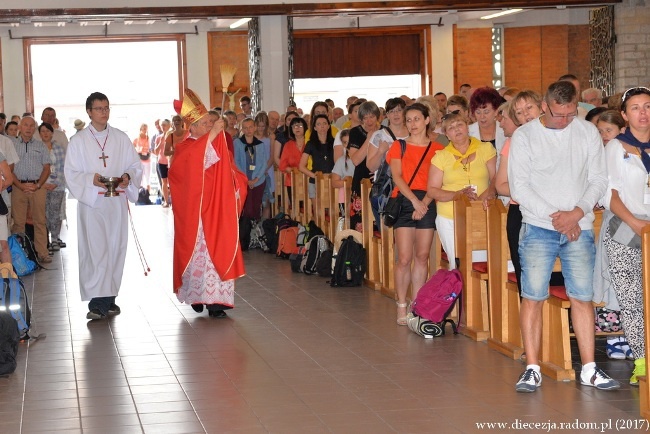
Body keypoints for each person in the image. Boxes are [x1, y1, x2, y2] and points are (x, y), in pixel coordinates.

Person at [509, 80, 619, 392]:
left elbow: (598, 178)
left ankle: (589, 368)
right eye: (559, 114)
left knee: (582, 298)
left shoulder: (585, 131)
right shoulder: (525, 136)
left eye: (571, 114)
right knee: (533, 296)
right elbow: (520, 187)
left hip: (579, 225)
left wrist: (577, 211)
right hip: (538, 227)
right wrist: (559, 217)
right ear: (544, 107)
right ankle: (532, 367)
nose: (565, 120)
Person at [168, 88, 247, 318]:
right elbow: (190, 166)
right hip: (197, 216)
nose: (207, 127)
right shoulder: (186, 147)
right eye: (203, 124)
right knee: (198, 256)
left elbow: (229, 168)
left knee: (216, 255)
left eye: (208, 123)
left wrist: (235, 186)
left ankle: (216, 302)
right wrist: (213, 134)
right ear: (191, 128)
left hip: (217, 210)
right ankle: (196, 296)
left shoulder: (214, 142)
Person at [64, 91, 142, 320]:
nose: (104, 112)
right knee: (96, 250)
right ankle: (97, 302)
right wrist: (91, 178)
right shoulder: (78, 141)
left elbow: (135, 165)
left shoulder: (120, 137)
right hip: (93, 202)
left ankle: (109, 299)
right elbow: (71, 173)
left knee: (116, 248)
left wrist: (128, 176)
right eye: (99, 108)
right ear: (89, 111)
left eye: (106, 108)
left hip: (116, 200)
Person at [595, 87, 650, 385]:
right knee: (632, 300)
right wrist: (636, 224)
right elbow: (610, 194)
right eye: (636, 108)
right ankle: (642, 361)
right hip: (625, 230)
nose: (643, 113)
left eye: (648, 106)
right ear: (626, 115)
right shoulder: (616, 146)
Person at [388, 103, 444, 325]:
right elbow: (397, 176)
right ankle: (402, 303)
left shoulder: (438, 148)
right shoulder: (398, 146)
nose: (412, 124)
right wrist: (414, 201)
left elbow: (438, 180)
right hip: (404, 199)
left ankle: (417, 304)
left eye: (416, 119)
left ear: (427, 120)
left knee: (422, 256)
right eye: (408, 120)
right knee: (404, 257)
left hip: (427, 200)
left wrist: (425, 203)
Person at [428, 112, 496, 269]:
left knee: (480, 263)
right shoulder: (441, 156)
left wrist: (480, 200)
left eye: (460, 125)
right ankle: (460, 294)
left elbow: (494, 180)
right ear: (446, 135)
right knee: (458, 265)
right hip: (449, 215)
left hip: (481, 212)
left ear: (467, 127)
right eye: (451, 128)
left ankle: (479, 294)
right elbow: (432, 190)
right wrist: (458, 195)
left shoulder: (485, 148)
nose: (457, 130)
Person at [11, 116, 52, 263]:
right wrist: (20, 185)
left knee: (39, 221)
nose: (29, 128)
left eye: (31, 126)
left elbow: (47, 168)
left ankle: (42, 252)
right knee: (18, 222)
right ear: (20, 127)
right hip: (18, 187)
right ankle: (19, 254)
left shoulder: (41, 146)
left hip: (38, 187)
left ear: (34, 129)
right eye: (26, 125)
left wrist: (38, 185)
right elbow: (9, 169)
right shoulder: (13, 145)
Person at [298, 114, 335, 218]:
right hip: (316, 182)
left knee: (333, 213)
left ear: (328, 126)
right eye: (318, 124)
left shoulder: (335, 142)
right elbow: (301, 166)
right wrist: (315, 176)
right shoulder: (311, 144)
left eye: (324, 124)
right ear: (314, 127)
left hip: (332, 181)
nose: (322, 126)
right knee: (319, 214)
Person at [38, 122, 66, 253]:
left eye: (48, 131)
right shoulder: (37, 148)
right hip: (41, 186)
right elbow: (36, 169)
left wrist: (56, 183)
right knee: (43, 214)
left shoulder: (59, 148)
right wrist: (42, 183)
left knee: (55, 213)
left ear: (52, 133)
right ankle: (45, 241)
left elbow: (63, 168)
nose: (45, 133)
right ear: (39, 134)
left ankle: (55, 238)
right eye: (42, 131)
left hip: (57, 186)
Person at [234, 118, 269, 221]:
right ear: (242, 129)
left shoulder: (260, 144)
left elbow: (263, 163)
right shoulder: (238, 143)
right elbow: (237, 162)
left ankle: (255, 231)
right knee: (247, 209)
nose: (248, 130)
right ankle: (246, 232)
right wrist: (246, 180)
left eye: (250, 127)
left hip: (258, 181)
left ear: (254, 128)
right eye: (245, 128)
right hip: (244, 181)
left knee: (256, 208)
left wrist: (256, 179)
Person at [278, 116, 308, 209]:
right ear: (291, 129)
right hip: (292, 181)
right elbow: (282, 165)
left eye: (300, 126)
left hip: (308, 180)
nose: (297, 128)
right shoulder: (288, 145)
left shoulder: (309, 143)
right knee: (297, 208)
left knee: (308, 208)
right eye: (294, 126)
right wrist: (292, 170)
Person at [468, 87, 506, 155]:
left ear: (496, 111)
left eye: (486, 112)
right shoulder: (468, 133)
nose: (482, 117)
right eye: (478, 112)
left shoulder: (505, 131)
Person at [154, 119, 172, 207]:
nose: (163, 127)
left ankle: (174, 200)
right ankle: (166, 201)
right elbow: (156, 152)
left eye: (165, 125)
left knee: (172, 182)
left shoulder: (172, 136)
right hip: (161, 162)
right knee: (164, 182)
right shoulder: (158, 137)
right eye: (162, 125)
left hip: (171, 162)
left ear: (169, 125)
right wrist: (161, 143)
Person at [133, 124, 151, 191]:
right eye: (143, 129)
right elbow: (132, 147)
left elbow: (151, 148)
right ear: (140, 129)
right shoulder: (137, 139)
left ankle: (147, 193)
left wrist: (149, 152)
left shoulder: (148, 138)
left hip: (147, 159)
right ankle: (140, 193)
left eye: (146, 129)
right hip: (139, 159)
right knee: (140, 176)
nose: (145, 130)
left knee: (148, 177)